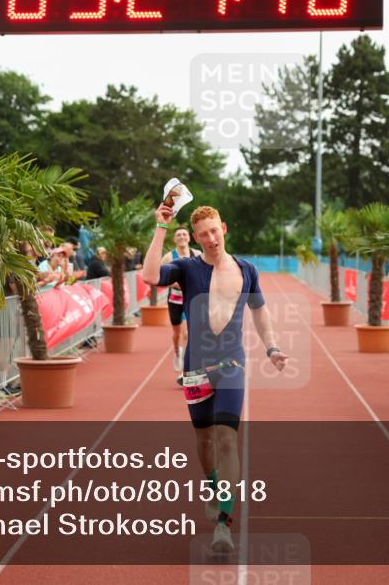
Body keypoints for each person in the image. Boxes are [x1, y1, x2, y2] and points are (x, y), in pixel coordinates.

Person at [143, 203, 290, 555]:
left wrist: (272, 347)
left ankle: (223, 523)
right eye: (203, 234)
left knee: (227, 440)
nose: (210, 238)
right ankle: (213, 485)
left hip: (231, 364)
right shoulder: (185, 268)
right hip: (195, 366)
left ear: (223, 228)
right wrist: (161, 227)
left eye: (214, 231)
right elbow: (150, 276)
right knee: (205, 441)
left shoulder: (247, 269)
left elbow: (260, 311)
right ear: (195, 237)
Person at [166, 227, 201, 381]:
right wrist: (174, 284)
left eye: (184, 234)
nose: (181, 237)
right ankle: (177, 352)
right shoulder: (168, 257)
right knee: (177, 333)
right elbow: (159, 277)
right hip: (174, 299)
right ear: (175, 239)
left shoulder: (198, 255)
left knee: (188, 333)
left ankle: (187, 368)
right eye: (178, 235)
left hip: (192, 300)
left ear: (189, 237)